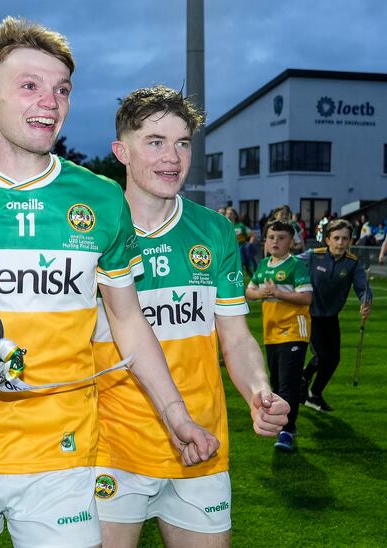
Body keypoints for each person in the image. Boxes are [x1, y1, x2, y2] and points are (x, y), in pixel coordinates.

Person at [0, 18, 218, 548]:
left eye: (62, 89)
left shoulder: (99, 198)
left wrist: (176, 414)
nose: (50, 101)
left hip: (63, 456)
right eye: (29, 85)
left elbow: (127, 321)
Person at [93, 86, 289, 547]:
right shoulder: (92, 230)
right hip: (111, 444)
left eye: (183, 142)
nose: (173, 157)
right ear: (121, 151)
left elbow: (236, 337)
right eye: (155, 142)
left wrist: (259, 391)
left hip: (201, 442)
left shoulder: (215, 230)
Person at [245, 220, 312, 452]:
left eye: (281, 237)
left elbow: (306, 298)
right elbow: (249, 291)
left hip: (294, 330)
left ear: (291, 242)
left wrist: (278, 293)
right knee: (276, 381)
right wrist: (262, 292)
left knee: (286, 385)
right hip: (271, 333)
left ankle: (287, 430)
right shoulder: (263, 264)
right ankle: (285, 417)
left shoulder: (295, 265)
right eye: (272, 237)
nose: (275, 241)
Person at [299, 219, 371, 412]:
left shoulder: (353, 263)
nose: (340, 243)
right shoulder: (313, 256)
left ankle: (314, 394)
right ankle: (303, 380)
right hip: (310, 315)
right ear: (327, 239)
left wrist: (365, 302)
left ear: (350, 241)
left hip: (331, 317)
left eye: (345, 239)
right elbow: (290, 265)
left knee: (334, 359)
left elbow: (363, 288)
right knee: (322, 356)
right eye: (336, 238)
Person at [225, 207, 257, 275]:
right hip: (229, 250)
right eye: (227, 214)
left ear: (235, 215)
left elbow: (252, 234)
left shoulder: (240, 226)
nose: (229, 215)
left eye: (231, 214)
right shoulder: (224, 227)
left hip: (241, 249)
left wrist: (250, 245)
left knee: (244, 268)